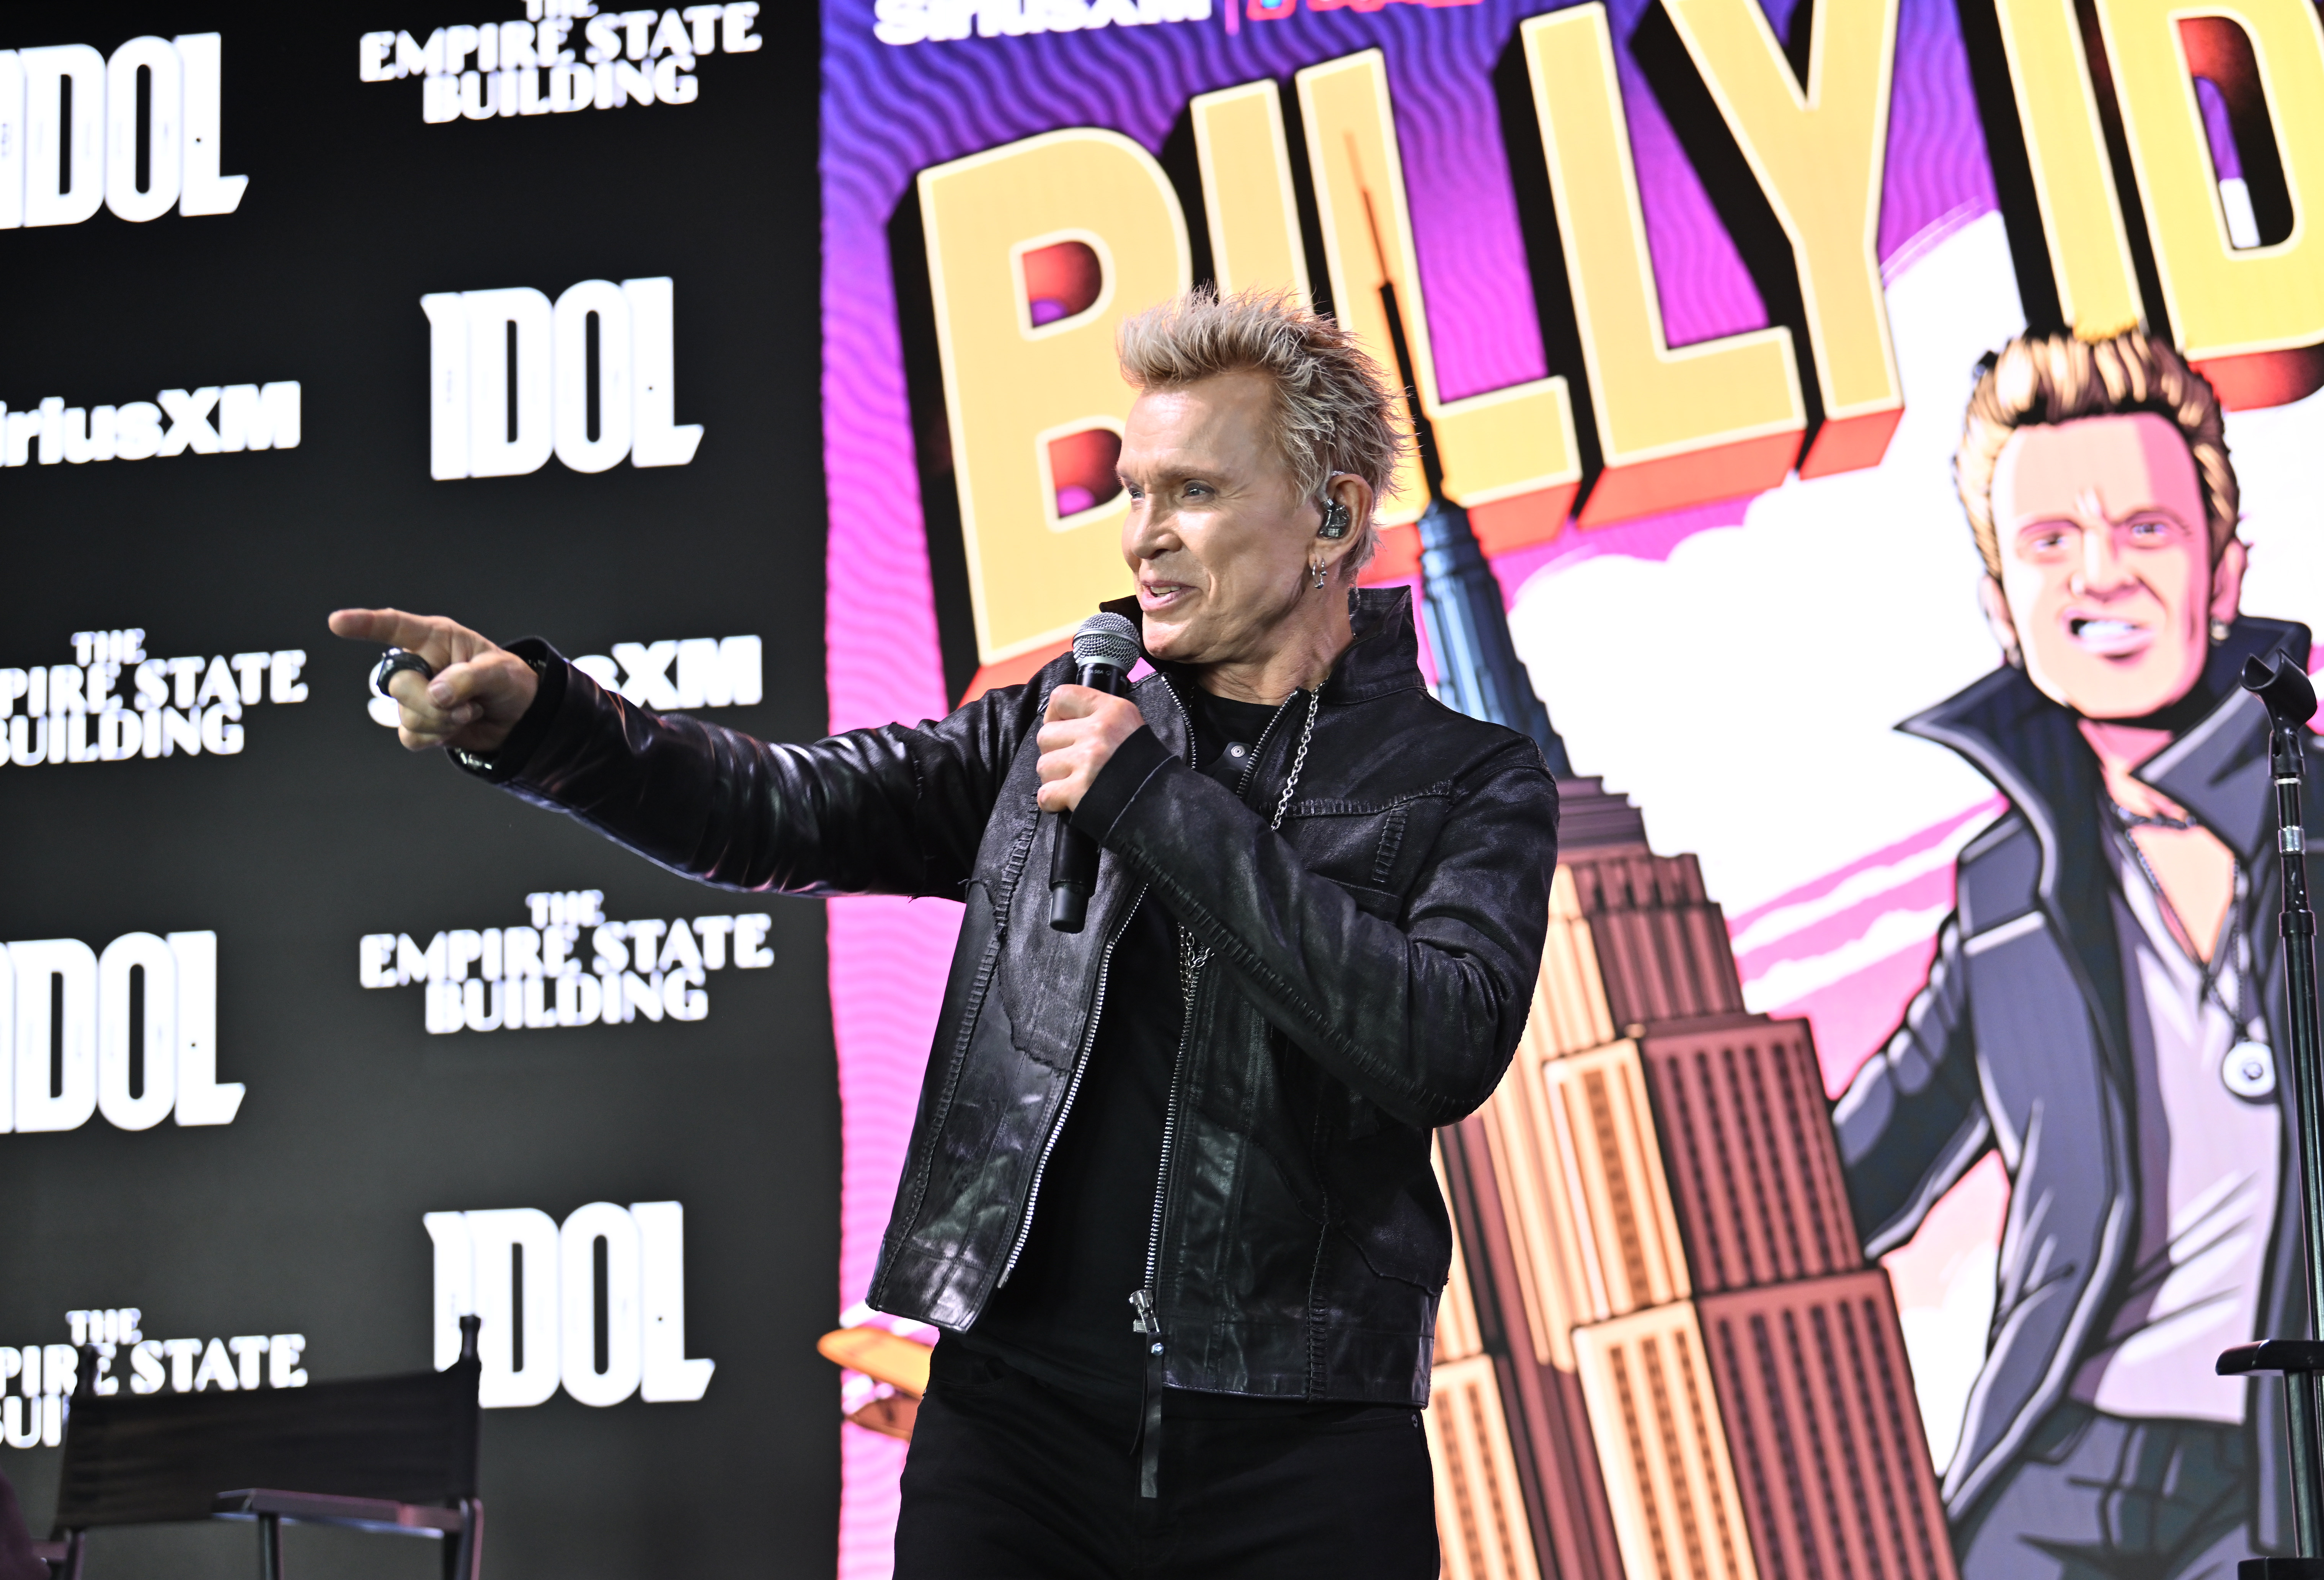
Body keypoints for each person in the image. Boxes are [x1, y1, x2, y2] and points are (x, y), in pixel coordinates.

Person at [333, 287, 1561, 1577]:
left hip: (1303, 1443)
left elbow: (1439, 1044)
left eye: (1192, 493)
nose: (1144, 539)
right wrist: (546, 724)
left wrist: (1159, 805)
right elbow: (784, 811)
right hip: (1017, 1428)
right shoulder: (1051, 729)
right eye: (1132, 492)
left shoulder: (1464, 783)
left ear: (1332, 517)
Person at [1834, 329, 2320, 1580]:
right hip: (2068, 1464)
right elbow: (1861, 1176)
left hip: (2288, 1466)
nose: (2100, 576)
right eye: (2051, 542)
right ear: (2004, 605)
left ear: (2224, 577)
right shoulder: (2008, 888)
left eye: (2147, 530)